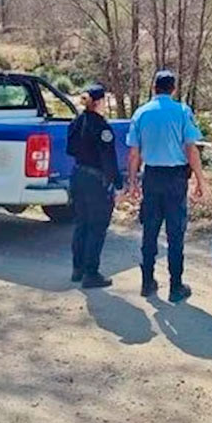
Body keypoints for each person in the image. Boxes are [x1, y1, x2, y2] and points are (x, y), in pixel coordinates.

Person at [126, 70, 206, 303]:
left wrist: (133, 181)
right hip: (175, 179)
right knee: (175, 233)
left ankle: (147, 281)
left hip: (151, 176)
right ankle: (175, 286)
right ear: (173, 89)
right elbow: (191, 149)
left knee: (149, 231)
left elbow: (133, 153)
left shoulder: (141, 113)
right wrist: (200, 180)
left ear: (153, 88)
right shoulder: (182, 111)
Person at [66, 83, 122, 289]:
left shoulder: (77, 122)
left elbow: (70, 149)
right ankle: (91, 273)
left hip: (78, 175)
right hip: (96, 181)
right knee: (97, 227)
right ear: (99, 102)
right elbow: (109, 158)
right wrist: (117, 182)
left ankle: (77, 269)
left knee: (81, 224)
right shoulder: (102, 127)